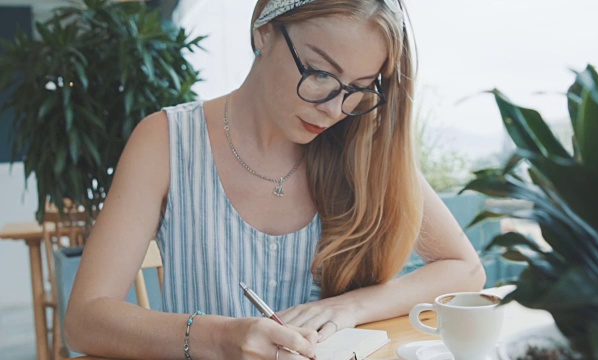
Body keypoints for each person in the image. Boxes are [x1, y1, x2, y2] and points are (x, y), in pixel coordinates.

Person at [64, 0, 485, 359]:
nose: (335, 109)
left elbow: (465, 269)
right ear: (263, 30)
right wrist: (223, 338)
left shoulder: (364, 146)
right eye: (320, 72)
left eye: (358, 87)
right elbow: (84, 319)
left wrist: (350, 307)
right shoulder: (167, 141)